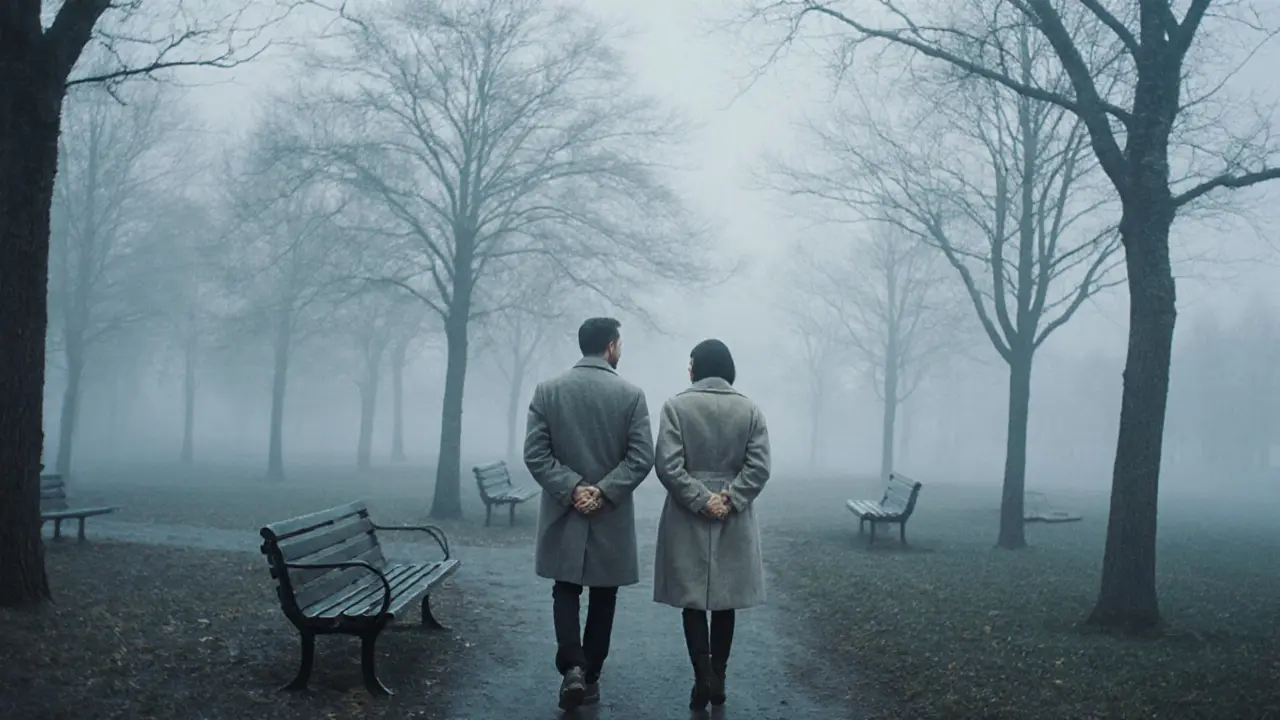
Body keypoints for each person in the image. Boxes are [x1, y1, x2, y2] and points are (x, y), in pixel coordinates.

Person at [523, 316, 655, 711]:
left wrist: (572, 487)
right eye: (620, 344)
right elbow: (641, 457)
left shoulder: (548, 391)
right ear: (611, 346)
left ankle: (572, 668)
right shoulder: (631, 395)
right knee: (604, 593)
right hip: (609, 513)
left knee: (565, 588)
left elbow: (536, 454)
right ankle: (591, 675)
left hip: (564, 510)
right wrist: (603, 490)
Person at [653, 338, 771, 710]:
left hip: (687, 513)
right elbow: (759, 467)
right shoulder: (750, 410)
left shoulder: (675, 407)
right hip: (733, 515)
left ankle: (701, 675)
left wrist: (701, 499)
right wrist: (730, 498)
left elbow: (668, 466)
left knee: (692, 599)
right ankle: (717, 675)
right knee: (725, 599)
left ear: (695, 368)